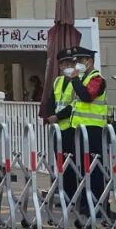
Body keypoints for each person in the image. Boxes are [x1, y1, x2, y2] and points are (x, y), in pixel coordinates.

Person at [42, 46, 107, 212]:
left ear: (89, 61)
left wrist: (75, 79)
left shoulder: (96, 79)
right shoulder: (79, 79)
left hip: (93, 129)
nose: (76, 64)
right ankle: (84, 203)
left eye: (80, 60)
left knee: (94, 168)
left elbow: (86, 96)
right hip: (80, 129)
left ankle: (95, 205)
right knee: (83, 168)